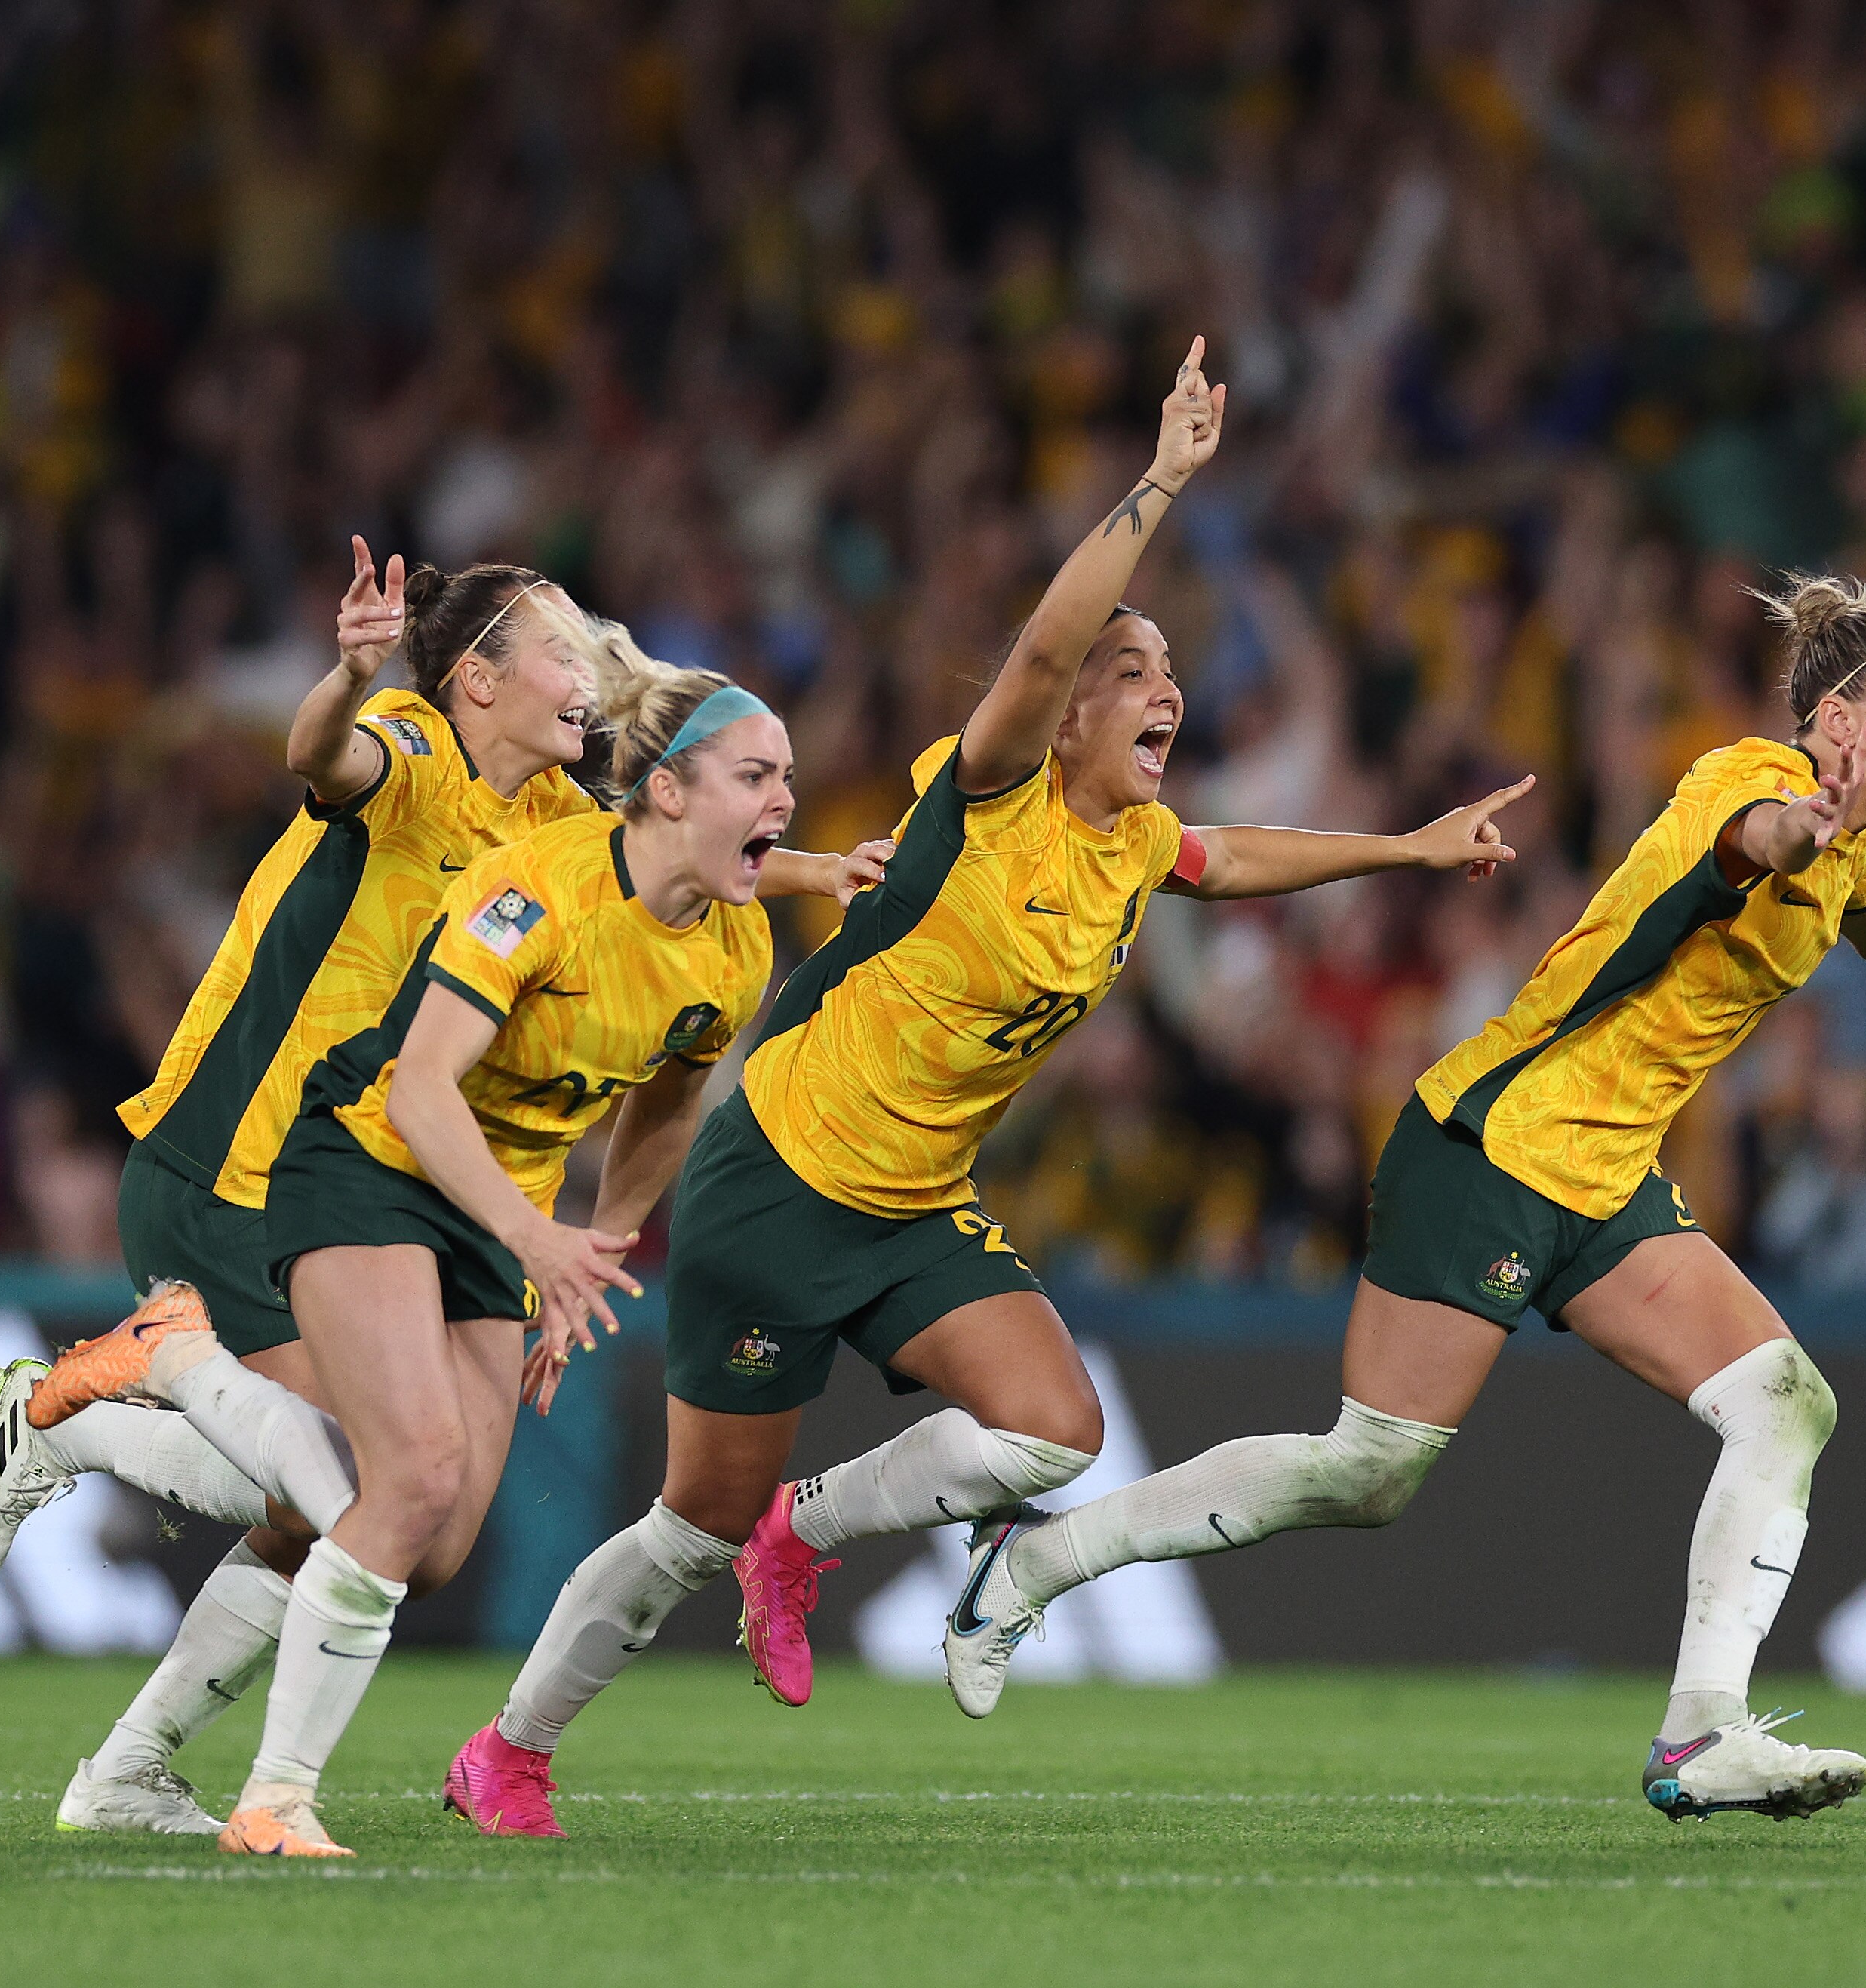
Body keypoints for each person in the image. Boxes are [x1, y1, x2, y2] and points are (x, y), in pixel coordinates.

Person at [443, 340, 1532, 1839]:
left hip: (911, 1205)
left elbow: (1235, 858)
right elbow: (1033, 651)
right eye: (1130, 672)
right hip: (777, 1177)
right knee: (688, 1520)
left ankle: (803, 1532)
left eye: (1167, 674)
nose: (1163, 691)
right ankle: (510, 1748)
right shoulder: (990, 795)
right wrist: (1160, 482)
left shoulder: (1131, 846)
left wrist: (1407, 849)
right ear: (1069, 709)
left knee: (1051, 1429)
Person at [925, 570, 1866, 1828]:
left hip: (1599, 1185)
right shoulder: (1747, 786)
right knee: (1368, 1472)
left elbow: (1865, 908)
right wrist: (1788, 832)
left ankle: (1701, 1731)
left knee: (1786, 1403)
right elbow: (1752, 839)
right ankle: (1035, 1560)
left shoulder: (1846, 848)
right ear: (1839, 726)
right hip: (1490, 1148)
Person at [0, 543, 875, 1837]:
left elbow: (668, 845)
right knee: (375, 1482)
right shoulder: (415, 746)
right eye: (559, 643)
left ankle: (125, 1755)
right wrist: (348, 671)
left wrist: (811, 866)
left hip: (417, 1182)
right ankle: (129, 1393)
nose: (588, 666)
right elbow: (321, 760)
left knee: (369, 1517)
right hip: (246, 1159)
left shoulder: (559, 824)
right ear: (477, 682)